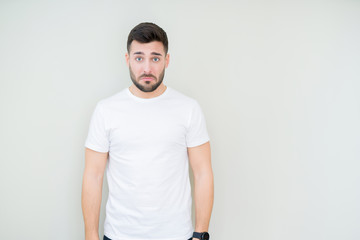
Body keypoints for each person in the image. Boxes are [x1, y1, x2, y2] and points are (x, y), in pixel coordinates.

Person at [81, 22, 214, 240]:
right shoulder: (106, 110)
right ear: (128, 60)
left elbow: (203, 173)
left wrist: (200, 234)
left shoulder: (188, 109)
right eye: (139, 57)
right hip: (119, 235)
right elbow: (92, 176)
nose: (147, 69)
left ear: (166, 60)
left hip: (176, 235)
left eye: (155, 58)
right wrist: (90, 236)